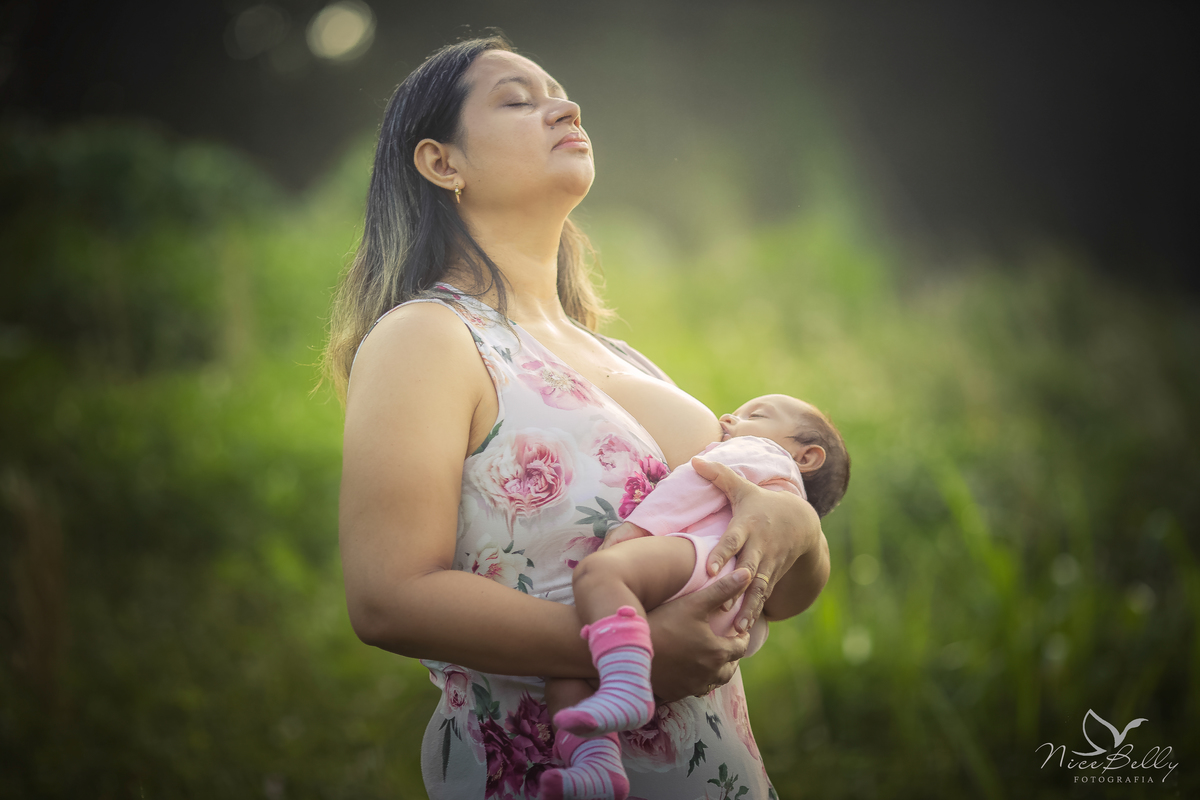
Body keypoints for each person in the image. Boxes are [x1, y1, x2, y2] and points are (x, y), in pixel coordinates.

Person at [325, 34, 831, 799]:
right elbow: (387, 598)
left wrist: (800, 532)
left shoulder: (626, 358)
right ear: (442, 162)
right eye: (518, 100)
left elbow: (770, 592)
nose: (566, 108)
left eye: (560, 94)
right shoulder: (427, 337)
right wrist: (628, 651)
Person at [540, 394, 849, 799]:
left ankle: (625, 685)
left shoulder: (763, 453)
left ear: (806, 456)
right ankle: (595, 766)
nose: (728, 417)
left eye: (756, 414)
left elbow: (695, 484)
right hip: (731, 617)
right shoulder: (785, 504)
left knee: (599, 573)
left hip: (709, 563)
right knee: (566, 678)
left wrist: (637, 530)